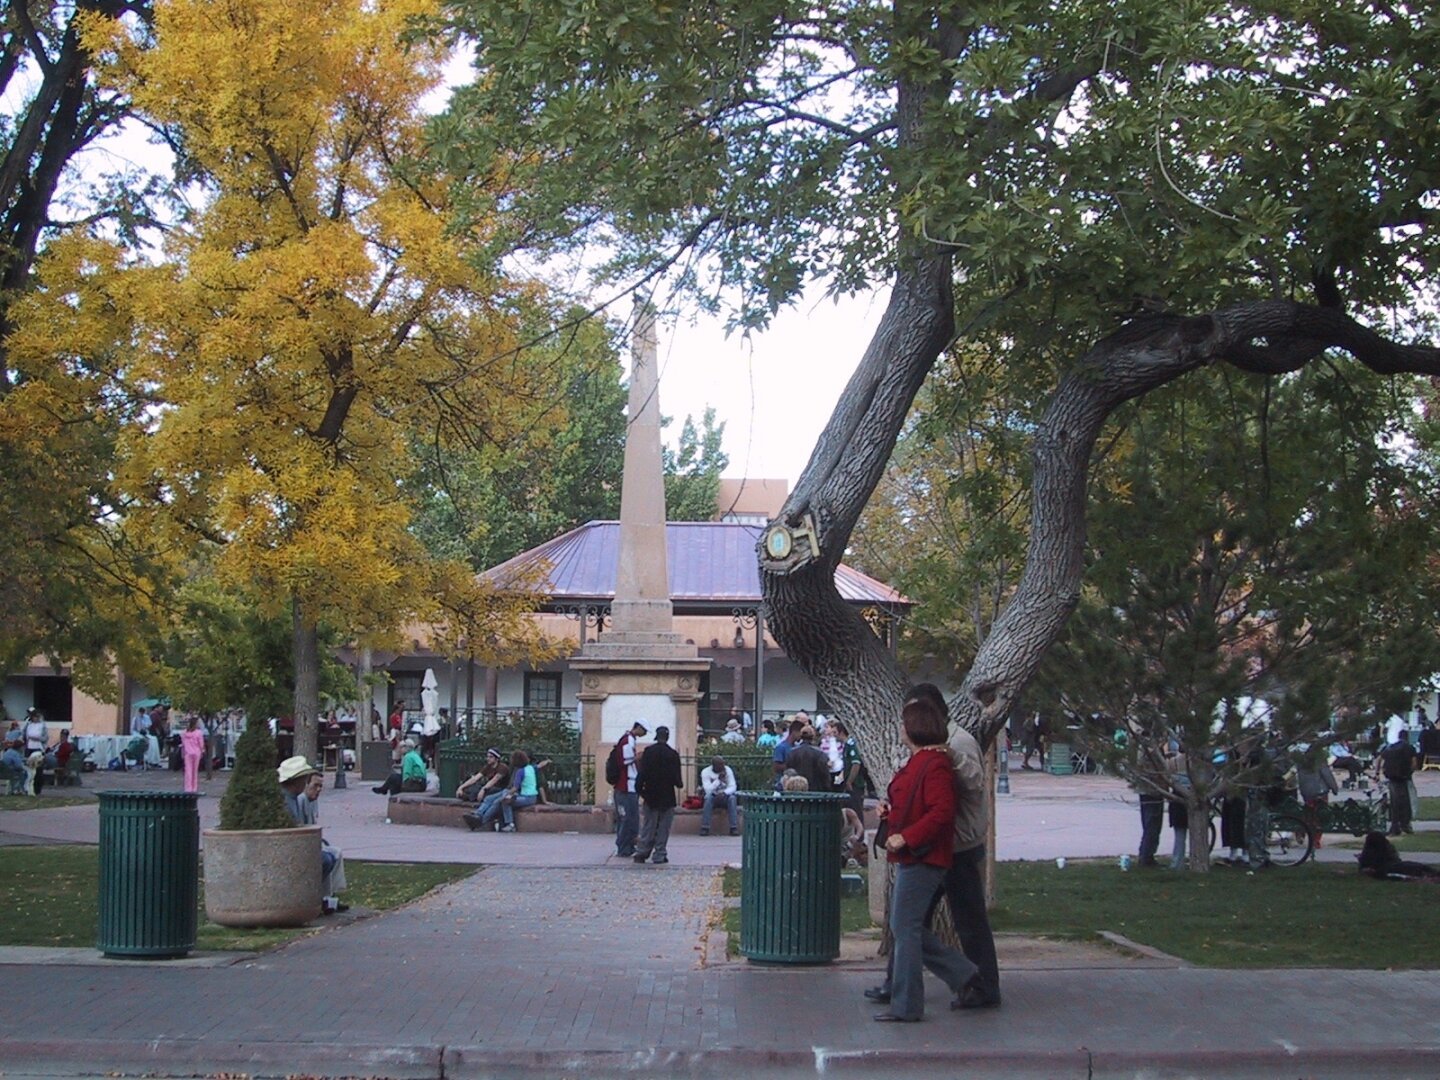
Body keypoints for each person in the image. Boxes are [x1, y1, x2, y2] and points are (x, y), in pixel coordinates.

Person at [868, 683, 1000, 1012]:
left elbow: (960, 793)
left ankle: (979, 984)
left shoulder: (954, 746)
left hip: (958, 846)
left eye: (915, 714)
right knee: (908, 923)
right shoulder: (925, 751)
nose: (907, 723)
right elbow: (914, 792)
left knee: (965, 920)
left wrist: (946, 757)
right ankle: (898, 984)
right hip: (928, 847)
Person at [278, 756, 348, 914]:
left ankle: (326, 898)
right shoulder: (288, 801)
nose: (318, 790)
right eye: (304, 780)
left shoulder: (294, 799)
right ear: (296, 781)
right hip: (291, 848)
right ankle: (320, 898)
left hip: (300, 844)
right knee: (327, 857)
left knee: (330, 855)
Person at [633, 725, 683, 865]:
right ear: (667, 737)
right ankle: (659, 854)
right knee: (663, 828)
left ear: (656, 736)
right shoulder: (673, 754)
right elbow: (678, 781)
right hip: (667, 796)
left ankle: (642, 852)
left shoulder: (648, 752)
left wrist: (640, 790)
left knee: (648, 825)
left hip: (650, 794)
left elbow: (641, 773)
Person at [612, 721, 647, 858]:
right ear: (638, 728)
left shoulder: (629, 739)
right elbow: (625, 760)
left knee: (629, 818)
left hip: (628, 786)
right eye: (643, 731)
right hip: (626, 786)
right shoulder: (628, 740)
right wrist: (637, 757)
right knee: (628, 818)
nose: (644, 734)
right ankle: (624, 846)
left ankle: (627, 845)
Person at [1380, 728, 1419, 836]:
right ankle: (1405, 825)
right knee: (1405, 801)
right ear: (1407, 737)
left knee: (1394, 801)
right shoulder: (1410, 748)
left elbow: (1379, 759)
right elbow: (1414, 763)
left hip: (1391, 777)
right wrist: (1410, 772)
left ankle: (1394, 825)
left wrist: (1377, 773)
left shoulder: (1390, 747)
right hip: (1403, 777)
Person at [1296, 750, 1339, 848]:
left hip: (1307, 793)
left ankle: (1300, 831)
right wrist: (1334, 789)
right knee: (1321, 816)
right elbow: (1327, 776)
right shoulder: (1320, 762)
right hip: (1320, 792)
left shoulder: (1300, 762)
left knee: (1308, 814)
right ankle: (1316, 840)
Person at [464, 750, 513, 831]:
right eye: (487, 757)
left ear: (497, 759)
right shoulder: (488, 767)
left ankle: (480, 820)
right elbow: (476, 778)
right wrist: (461, 787)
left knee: (493, 801)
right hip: (492, 791)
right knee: (488, 798)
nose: (488, 759)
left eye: (491, 757)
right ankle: (477, 815)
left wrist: (483, 789)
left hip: (503, 790)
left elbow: (494, 780)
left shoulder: (502, 767)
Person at [495, 750, 539, 832]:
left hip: (526, 798)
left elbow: (515, 787)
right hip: (533, 797)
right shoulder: (531, 768)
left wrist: (505, 796)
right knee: (506, 797)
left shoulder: (520, 771)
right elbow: (539, 766)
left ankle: (510, 824)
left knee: (505, 802)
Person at [780, 724, 831, 795]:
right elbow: (824, 773)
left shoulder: (792, 752)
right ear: (813, 737)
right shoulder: (820, 753)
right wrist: (827, 787)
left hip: (796, 790)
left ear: (801, 736)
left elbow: (788, 771)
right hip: (816, 792)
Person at [699, 755, 738, 836]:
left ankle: (733, 828)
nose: (723, 767)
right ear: (714, 766)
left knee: (732, 799)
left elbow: (733, 786)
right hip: (713, 796)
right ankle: (705, 827)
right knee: (708, 799)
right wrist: (718, 780)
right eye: (720, 765)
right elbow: (708, 790)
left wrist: (724, 793)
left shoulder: (728, 770)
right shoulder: (705, 772)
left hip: (725, 796)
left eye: (723, 764)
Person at [834, 721, 865, 815]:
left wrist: (850, 781)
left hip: (855, 784)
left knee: (856, 809)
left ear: (841, 732)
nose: (834, 735)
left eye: (835, 732)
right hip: (850, 782)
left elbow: (856, 764)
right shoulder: (846, 745)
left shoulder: (851, 745)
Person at [180, 715, 206, 795]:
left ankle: (188, 788)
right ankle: (194, 787)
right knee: (195, 771)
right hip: (196, 752)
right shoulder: (199, 733)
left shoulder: (184, 733)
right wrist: (202, 750)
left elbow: (183, 744)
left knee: (188, 770)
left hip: (188, 753)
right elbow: (201, 744)